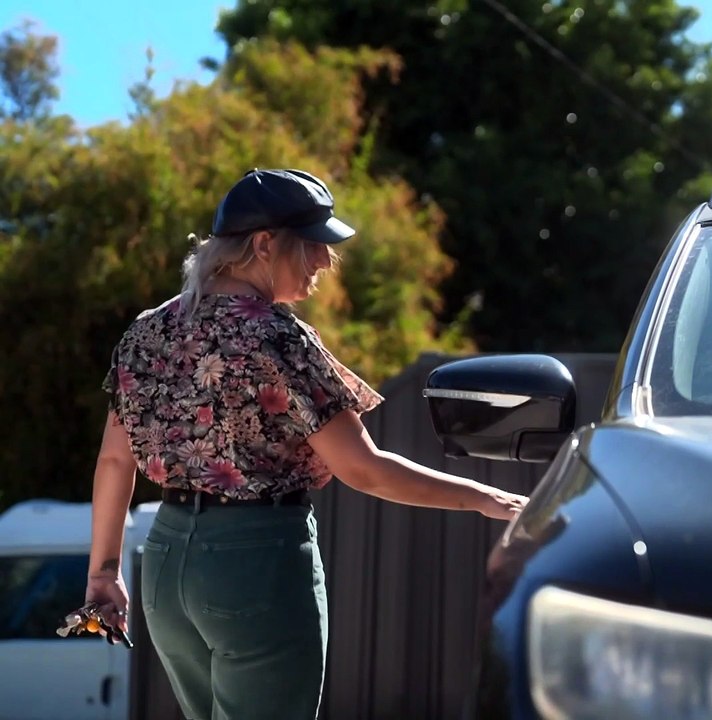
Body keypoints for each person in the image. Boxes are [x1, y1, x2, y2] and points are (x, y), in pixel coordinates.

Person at [83, 168, 528, 720]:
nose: (325, 261)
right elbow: (363, 469)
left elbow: (112, 459)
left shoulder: (147, 332)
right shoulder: (275, 335)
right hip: (254, 561)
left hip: (167, 568)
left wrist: (104, 573)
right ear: (264, 244)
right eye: (313, 246)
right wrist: (488, 500)